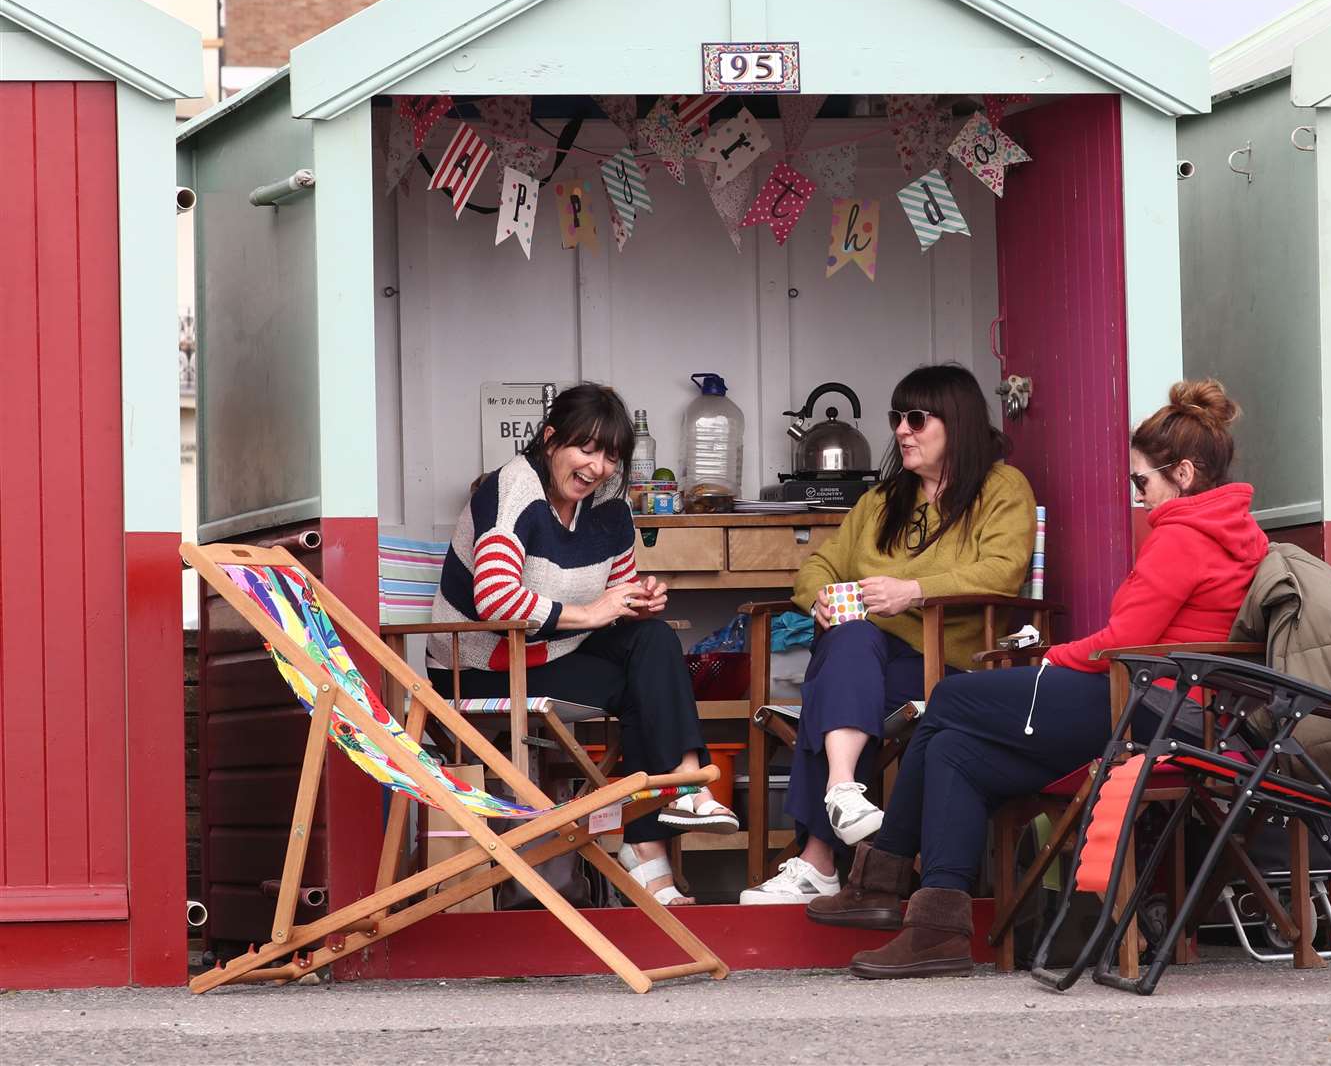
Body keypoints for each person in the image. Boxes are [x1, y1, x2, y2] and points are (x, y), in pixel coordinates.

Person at [805, 379, 1267, 978]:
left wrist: (1054, 657)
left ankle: (884, 876)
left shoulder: (1181, 537)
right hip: (1173, 704)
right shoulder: (1233, 529)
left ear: (1181, 473)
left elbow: (1122, 642)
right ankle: (934, 927)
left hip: (1148, 705)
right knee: (955, 750)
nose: (1137, 497)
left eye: (1141, 482)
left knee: (950, 698)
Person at [426, 382, 736, 907]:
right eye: (586, 449)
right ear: (550, 441)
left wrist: (639, 598)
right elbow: (495, 600)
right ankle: (652, 847)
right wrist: (593, 612)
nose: (598, 468)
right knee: (646, 688)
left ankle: (684, 780)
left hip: (556, 650)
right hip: (484, 664)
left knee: (653, 641)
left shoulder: (610, 509)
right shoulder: (510, 491)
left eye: (611, 456)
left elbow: (618, 586)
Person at [739, 364, 1037, 905]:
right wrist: (821, 598)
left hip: (946, 668)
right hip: (869, 664)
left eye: (917, 418)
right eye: (897, 418)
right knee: (846, 642)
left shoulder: (1001, 488)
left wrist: (914, 590)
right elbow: (817, 567)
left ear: (958, 423)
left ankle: (818, 860)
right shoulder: (881, 502)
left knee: (830, 683)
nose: (902, 430)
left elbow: (1002, 570)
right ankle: (843, 792)